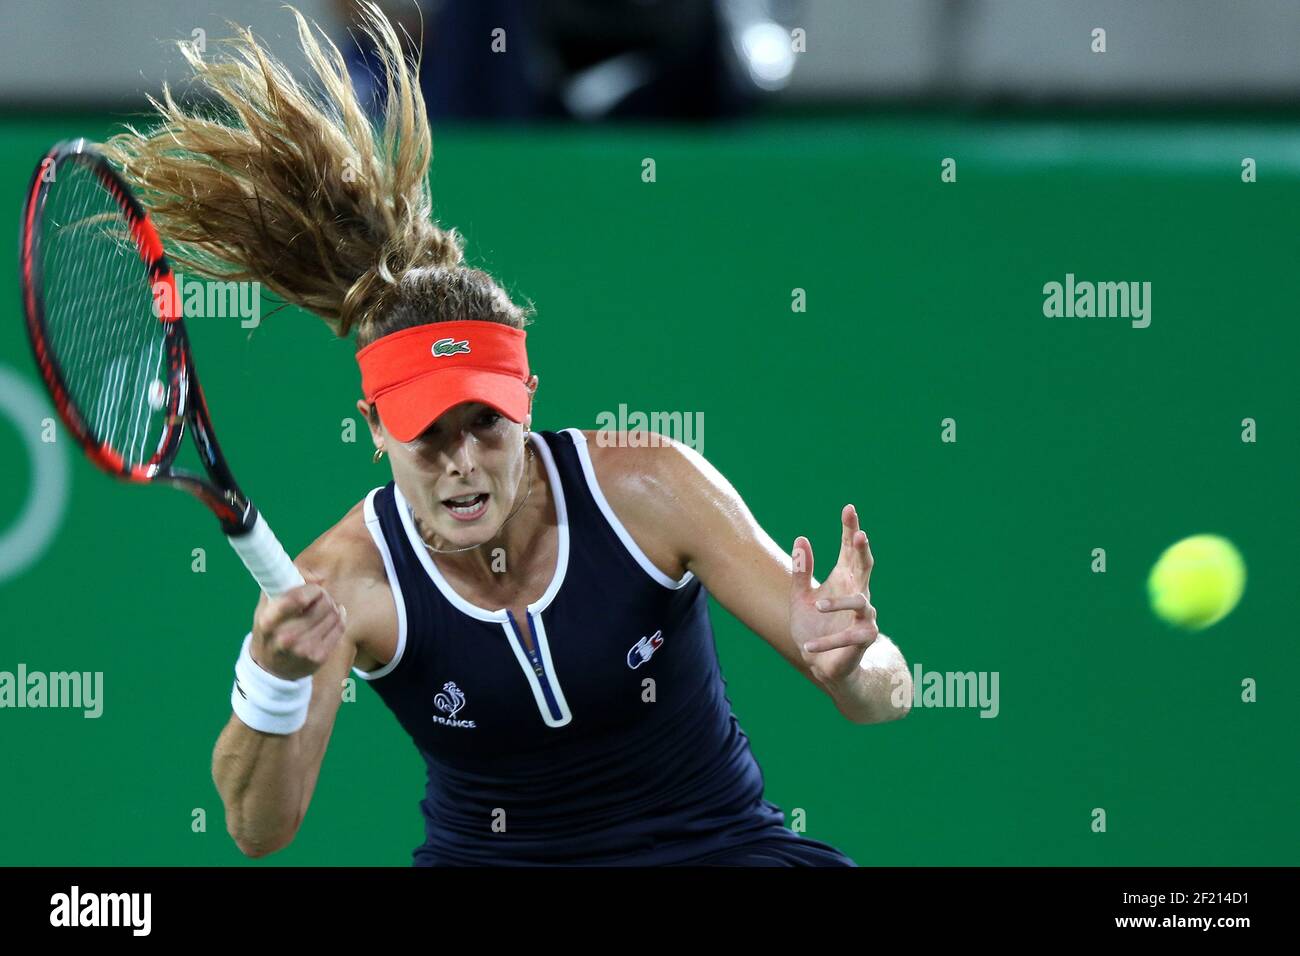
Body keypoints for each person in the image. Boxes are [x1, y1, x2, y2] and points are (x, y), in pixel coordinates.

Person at [103, 3, 911, 866]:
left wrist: (854, 665)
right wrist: (275, 674)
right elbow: (257, 832)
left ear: (527, 401)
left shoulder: (648, 488)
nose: (463, 463)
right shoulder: (342, 585)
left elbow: (883, 695)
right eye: (426, 434)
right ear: (374, 428)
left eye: (485, 423)